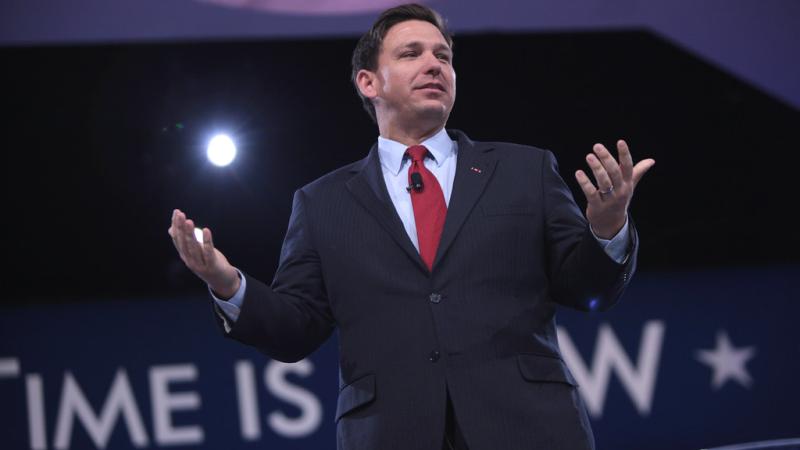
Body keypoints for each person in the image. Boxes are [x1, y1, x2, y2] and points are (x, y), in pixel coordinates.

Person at [168, 4, 654, 449]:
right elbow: (296, 329)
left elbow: (587, 289)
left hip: (529, 428)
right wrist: (227, 283)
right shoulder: (322, 203)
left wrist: (607, 230)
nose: (434, 64)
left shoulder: (525, 171)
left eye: (443, 55)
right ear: (368, 83)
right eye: (411, 53)